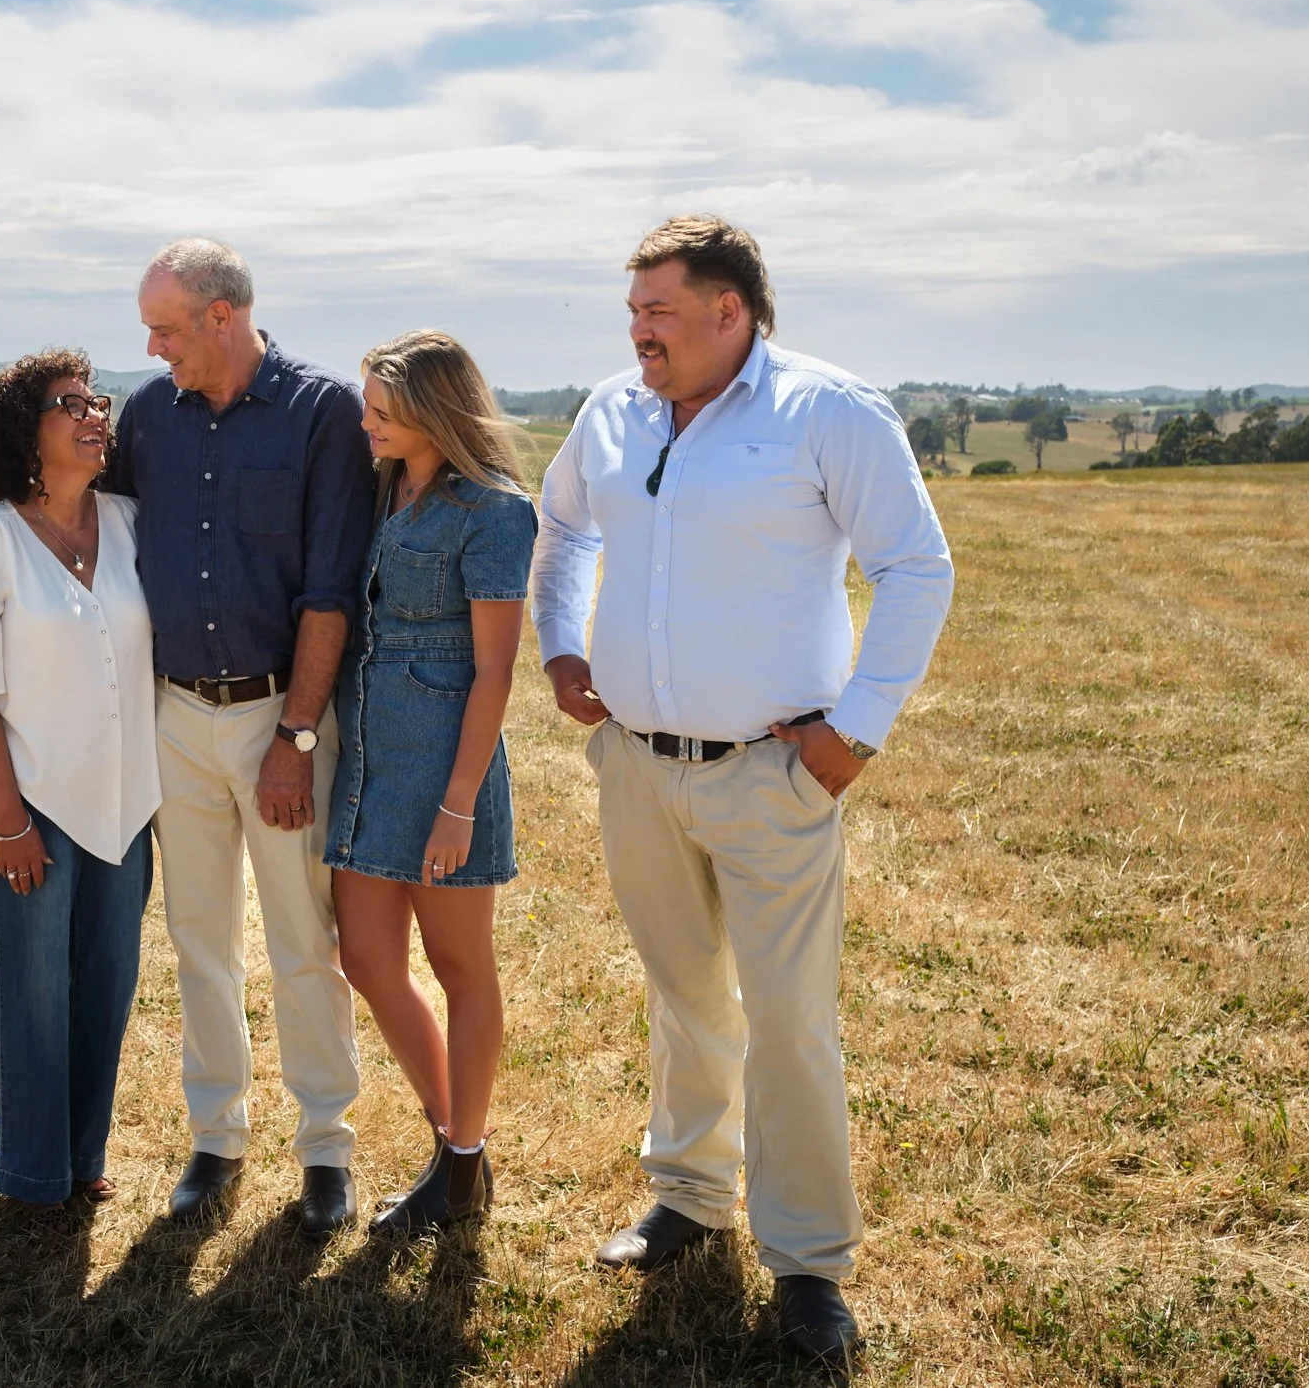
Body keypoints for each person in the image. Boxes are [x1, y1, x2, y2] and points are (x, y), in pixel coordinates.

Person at [531, 216, 954, 1369]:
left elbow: (917, 566)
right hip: (634, 761)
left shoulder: (828, 412)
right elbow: (561, 524)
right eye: (631, 312)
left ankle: (808, 1262)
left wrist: (853, 731)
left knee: (789, 1017)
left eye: (656, 311)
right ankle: (688, 1195)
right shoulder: (611, 410)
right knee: (681, 994)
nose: (635, 332)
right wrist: (560, 643)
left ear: (732, 312)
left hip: (774, 773)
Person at [104, 237, 376, 1234]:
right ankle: (216, 1137)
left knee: (305, 937)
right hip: (175, 711)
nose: (150, 344)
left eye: (165, 327)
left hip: (280, 713)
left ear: (222, 316)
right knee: (198, 936)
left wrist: (295, 735)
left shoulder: (321, 413)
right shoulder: (144, 416)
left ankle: (325, 1148)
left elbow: (328, 588)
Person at [0, 350, 159, 1208]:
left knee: (107, 981)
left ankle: (83, 1152)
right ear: (26, 428)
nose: (94, 414)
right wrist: (7, 819)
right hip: (31, 802)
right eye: (70, 404)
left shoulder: (132, 521)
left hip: (127, 799)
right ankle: (31, 1172)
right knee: (31, 988)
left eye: (97, 400)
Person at [326, 331, 538, 1236]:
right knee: (367, 959)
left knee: (460, 967)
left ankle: (457, 1160)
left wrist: (458, 805)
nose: (365, 421)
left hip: (445, 771)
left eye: (383, 408)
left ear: (434, 410)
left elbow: (494, 671)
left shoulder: (493, 511)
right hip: (368, 761)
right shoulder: (379, 488)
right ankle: (458, 1142)